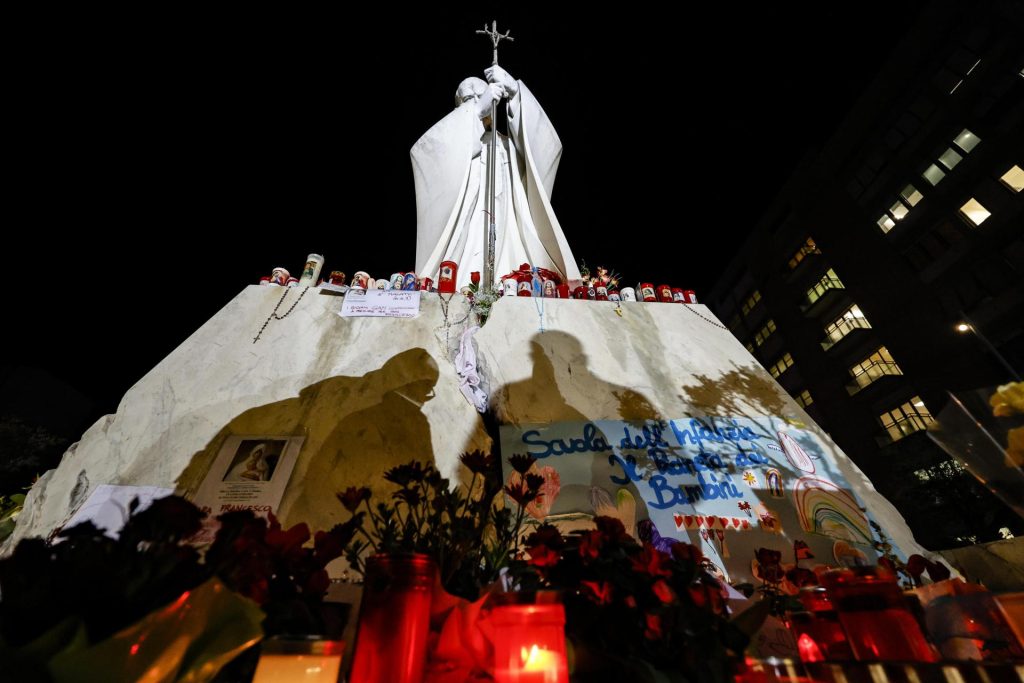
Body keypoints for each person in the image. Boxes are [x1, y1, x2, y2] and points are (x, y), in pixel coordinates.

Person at [412, 65, 581, 290]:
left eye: (481, 96)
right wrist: (474, 113)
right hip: (467, 238)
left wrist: (515, 92)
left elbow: (546, 147)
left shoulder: (509, 146)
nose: (478, 101)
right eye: (468, 99)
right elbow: (426, 154)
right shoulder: (454, 146)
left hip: (509, 231)